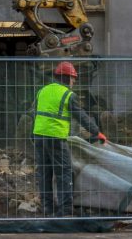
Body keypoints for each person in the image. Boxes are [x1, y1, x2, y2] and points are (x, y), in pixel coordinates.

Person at [32, 61, 108, 217]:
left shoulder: (42, 91)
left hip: (39, 136)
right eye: (73, 78)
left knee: (45, 173)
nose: (73, 82)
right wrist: (96, 132)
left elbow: (34, 113)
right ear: (66, 78)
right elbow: (81, 116)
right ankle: (65, 211)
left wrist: (32, 135)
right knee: (64, 173)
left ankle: (47, 208)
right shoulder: (68, 95)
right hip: (56, 138)